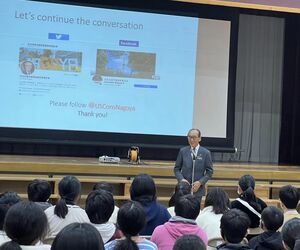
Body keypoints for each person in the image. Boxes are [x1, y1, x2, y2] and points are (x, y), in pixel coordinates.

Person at [174, 128, 213, 199]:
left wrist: (200, 182)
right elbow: (177, 169)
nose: (191, 140)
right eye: (189, 137)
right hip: (183, 189)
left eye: (194, 137)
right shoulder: (183, 151)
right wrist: (181, 179)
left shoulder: (206, 153)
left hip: (198, 190)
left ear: (199, 138)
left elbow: (209, 172)